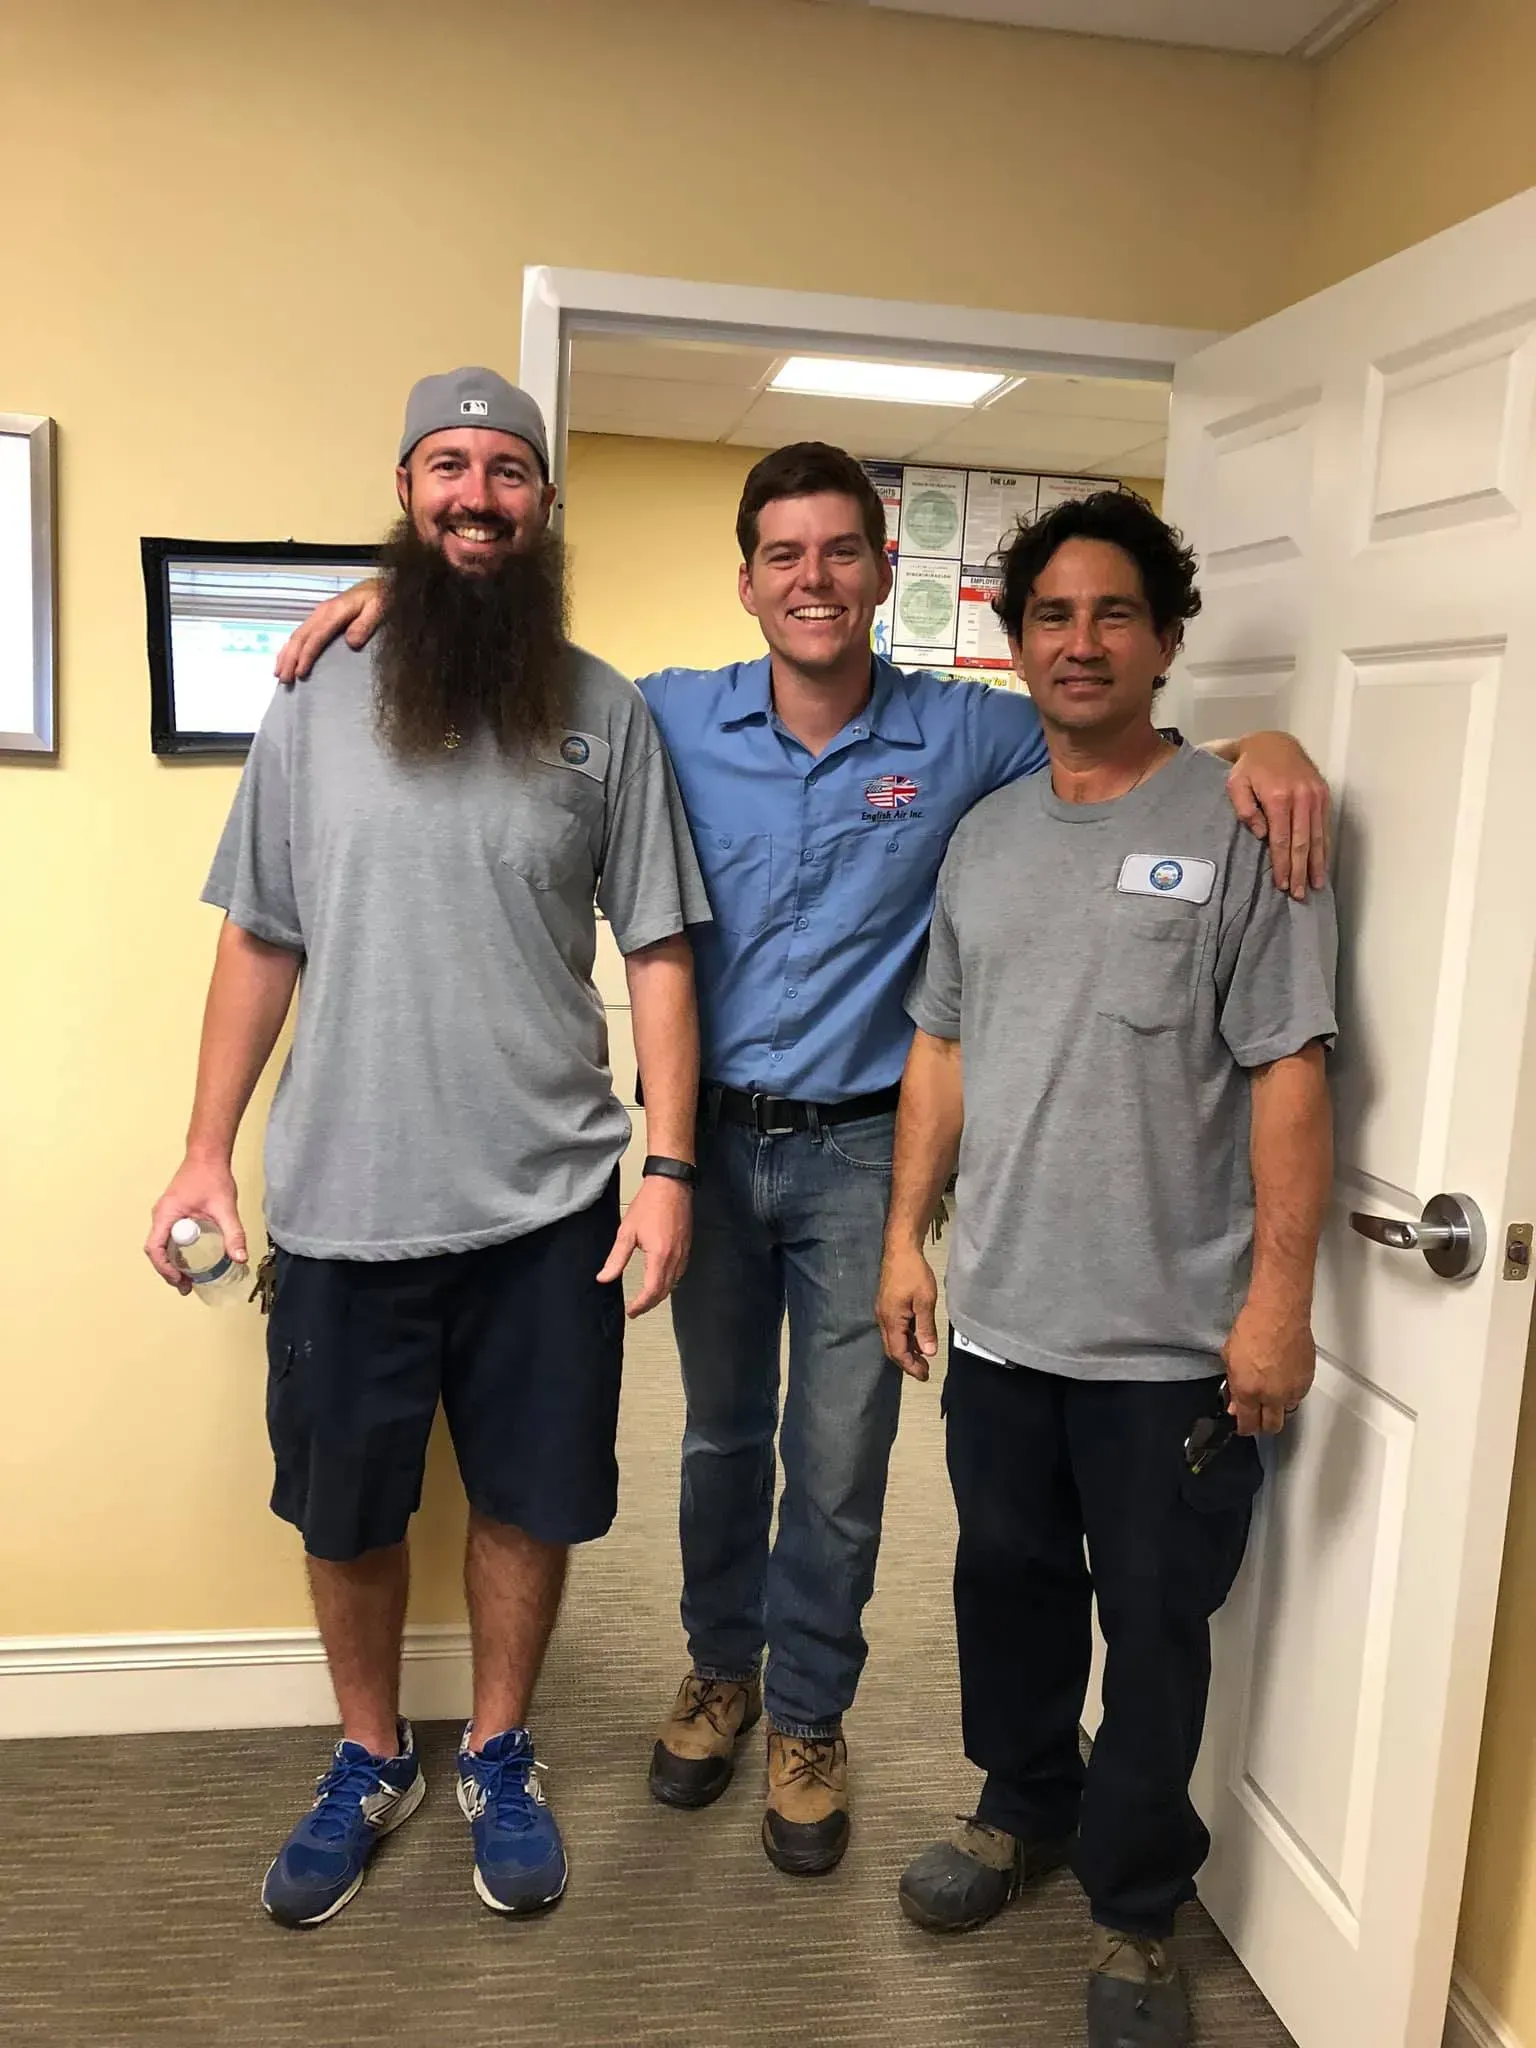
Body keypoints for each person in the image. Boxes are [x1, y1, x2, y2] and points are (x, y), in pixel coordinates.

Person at [276, 444, 1330, 1880]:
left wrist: (1262, 749)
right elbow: (509, 667)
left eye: (843, 551)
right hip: (703, 1147)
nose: (814, 579)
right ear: (748, 580)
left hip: (861, 1155)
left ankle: (810, 1717)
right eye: (785, 554)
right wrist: (392, 597)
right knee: (717, 1438)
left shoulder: (967, 734)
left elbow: (1117, 739)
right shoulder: (661, 715)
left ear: (886, 574)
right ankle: (721, 1671)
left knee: (838, 1458)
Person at [146, 368, 710, 1930]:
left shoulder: (606, 711)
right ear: (405, 492)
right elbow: (260, 935)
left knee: (532, 1497)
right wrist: (202, 1152)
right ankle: (371, 1754)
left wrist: (669, 1167)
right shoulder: (316, 697)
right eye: (447, 465)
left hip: (552, 1204)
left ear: (545, 503)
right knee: (349, 1510)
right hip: (347, 1197)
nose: (477, 493)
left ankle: (502, 1751)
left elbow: (660, 947)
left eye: (508, 469)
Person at [875, 491, 1336, 2048]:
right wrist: (906, 1239)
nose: (1081, 643)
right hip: (1006, 1322)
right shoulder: (988, 838)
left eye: (1114, 613)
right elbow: (941, 1050)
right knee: (1004, 1589)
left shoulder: (1245, 824)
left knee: (1154, 1634)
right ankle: (1022, 1804)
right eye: (1052, 617)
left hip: (1168, 1346)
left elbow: (1288, 1070)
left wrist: (1279, 1305)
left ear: (1166, 639)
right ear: (1018, 647)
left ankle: (1137, 1909)